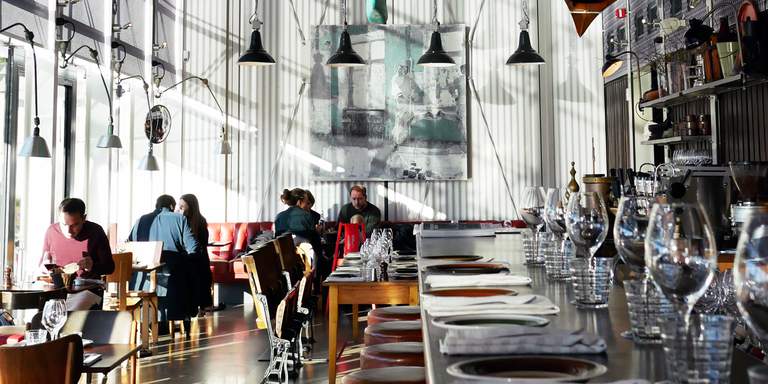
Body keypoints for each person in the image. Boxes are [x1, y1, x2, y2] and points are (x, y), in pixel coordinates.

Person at [129, 194, 199, 328]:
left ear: (156, 206)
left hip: (144, 283)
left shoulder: (140, 220)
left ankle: (150, 322)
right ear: (172, 206)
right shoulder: (180, 219)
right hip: (173, 282)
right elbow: (193, 248)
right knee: (190, 271)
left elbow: (130, 245)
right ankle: (185, 317)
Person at [40, 198, 114, 310]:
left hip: (88, 288)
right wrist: (45, 267)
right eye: (64, 224)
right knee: (42, 310)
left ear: (84, 218)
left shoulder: (96, 231)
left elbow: (110, 267)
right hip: (58, 289)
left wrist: (92, 266)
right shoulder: (51, 231)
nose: (69, 231)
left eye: (74, 225)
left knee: (69, 313)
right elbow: (42, 264)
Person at [178, 194, 213, 317]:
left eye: (182, 206)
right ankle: (198, 307)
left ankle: (200, 307)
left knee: (195, 273)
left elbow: (202, 243)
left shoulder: (199, 221)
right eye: (179, 206)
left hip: (197, 257)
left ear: (190, 206)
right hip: (196, 257)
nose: (179, 209)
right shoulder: (184, 220)